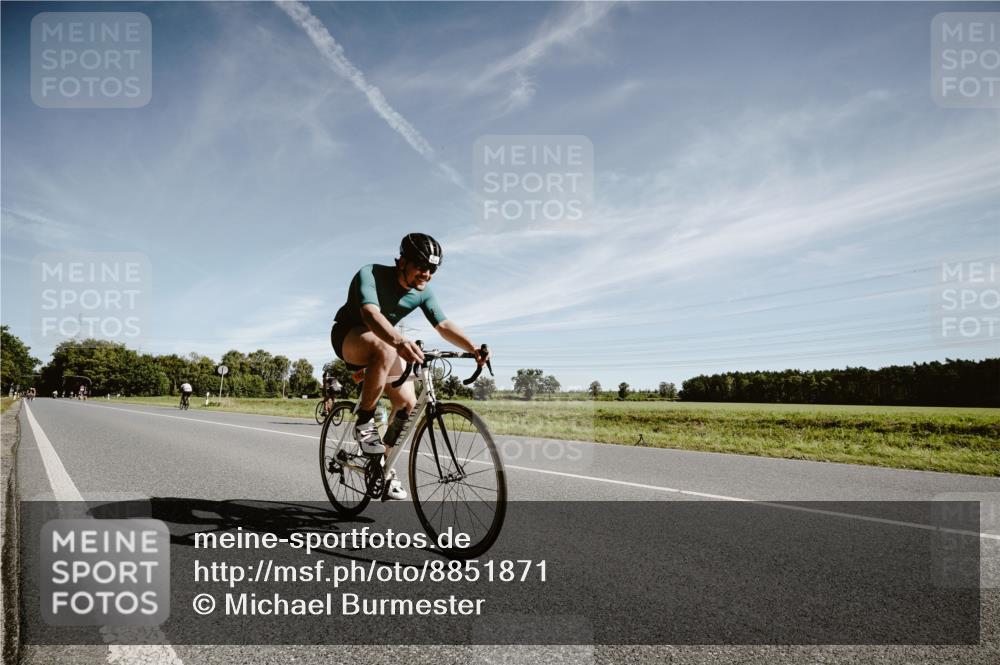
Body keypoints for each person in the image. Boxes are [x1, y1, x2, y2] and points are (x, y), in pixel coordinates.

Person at [330, 233, 490, 500]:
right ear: (402, 261)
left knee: (407, 405)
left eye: (432, 269)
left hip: (387, 341)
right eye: (421, 265)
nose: (426, 273)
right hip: (350, 336)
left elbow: (444, 325)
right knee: (384, 346)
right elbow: (371, 314)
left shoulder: (422, 292)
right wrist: (400, 340)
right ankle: (365, 421)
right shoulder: (370, 274)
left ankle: (382, 467)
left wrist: (472, 348)